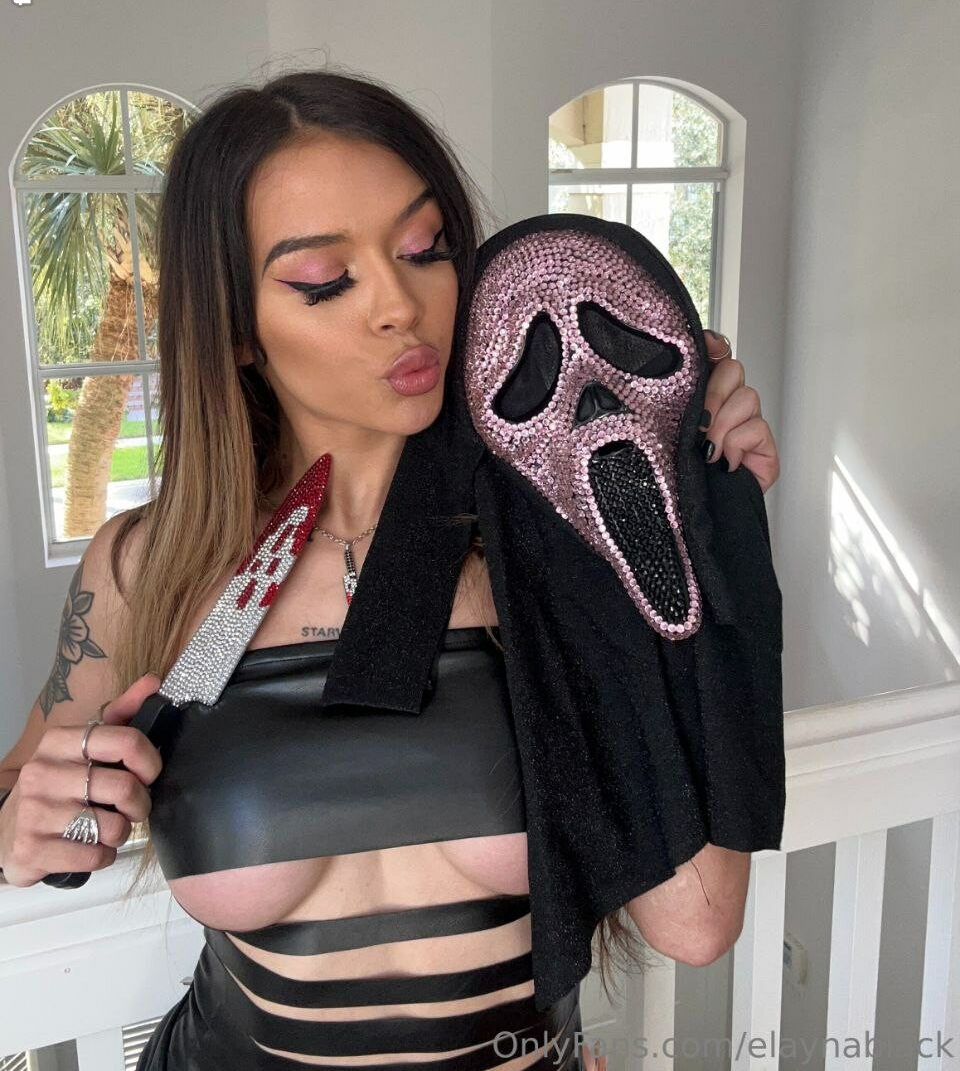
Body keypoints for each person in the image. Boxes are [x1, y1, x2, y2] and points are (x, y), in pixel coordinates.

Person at [0, 68, 782, 1071]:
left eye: (424, 249)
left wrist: (700, 522)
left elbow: (697, 921)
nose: (401, 306)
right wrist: (26, 825)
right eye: (325, 278)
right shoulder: (151, 570)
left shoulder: (550, 548)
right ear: (236, 330)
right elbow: (26, 793)